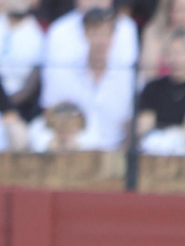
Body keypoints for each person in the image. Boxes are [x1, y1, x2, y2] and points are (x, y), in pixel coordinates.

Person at [39, 8, 134, 150]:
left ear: (113, 36)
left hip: (114, 153)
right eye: (95, 33)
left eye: (106, 33)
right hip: (74, 152)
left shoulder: (127, 76)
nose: (100, 41)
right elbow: (50, 114)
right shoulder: (65, 72)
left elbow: (130, 124)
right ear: (85, 34)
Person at [43, 0, 140, 76]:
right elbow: (55, 71)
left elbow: (126, 64)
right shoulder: (59, 29)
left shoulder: (126, 27)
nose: (96, 3)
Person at [135, 28, 185, 139]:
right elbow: (143, 128)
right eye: (170, 53)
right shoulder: (152, 88)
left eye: (181, 53)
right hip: (154, 149)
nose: (175, 59)